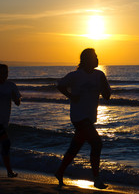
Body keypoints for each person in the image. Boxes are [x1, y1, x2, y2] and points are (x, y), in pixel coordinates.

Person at [55, 48, 111, 189]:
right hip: (79, 116)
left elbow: (107, 95)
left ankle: (60, 172)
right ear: (86, 59)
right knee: (97, 143)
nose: (98, 59)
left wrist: (105, 85)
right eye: (95, 56)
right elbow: (60, 85)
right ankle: (96, 179)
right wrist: (71, 96)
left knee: (75, 147)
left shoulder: (99, 75)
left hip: (90, 116)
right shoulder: (75, 75)